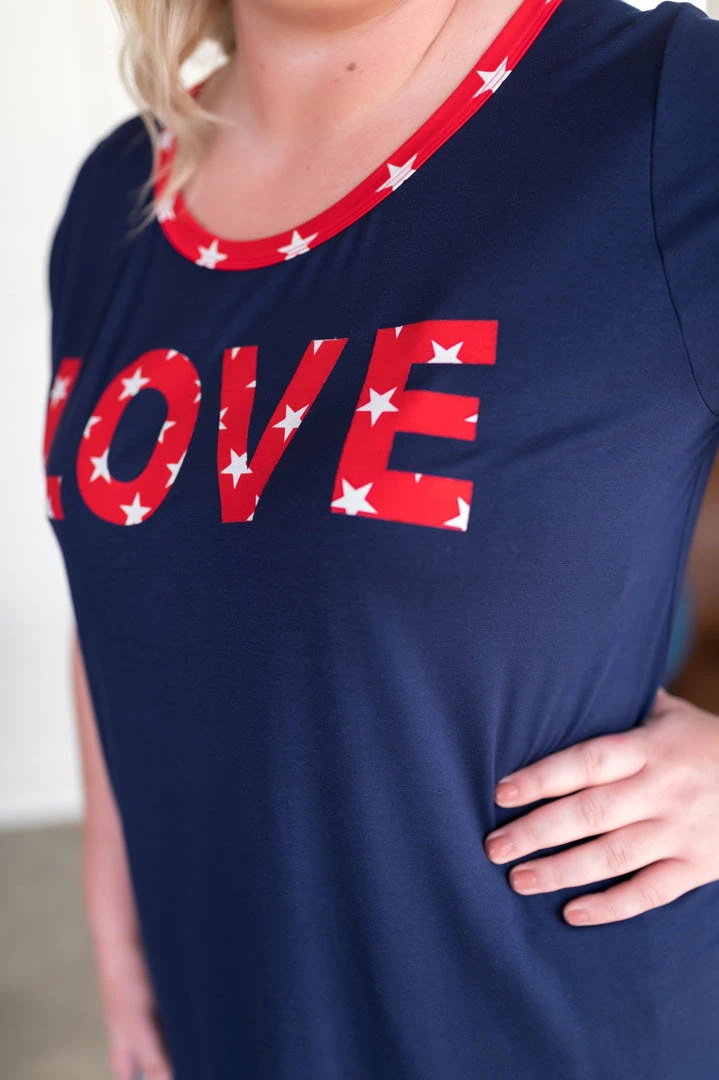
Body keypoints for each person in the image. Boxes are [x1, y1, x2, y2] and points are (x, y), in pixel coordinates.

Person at [43, 0, 719, 1075]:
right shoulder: (116, 195)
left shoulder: (665, 109)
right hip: (229, 1018)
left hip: (552, 1029)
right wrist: (118, 930)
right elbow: (124, 589)